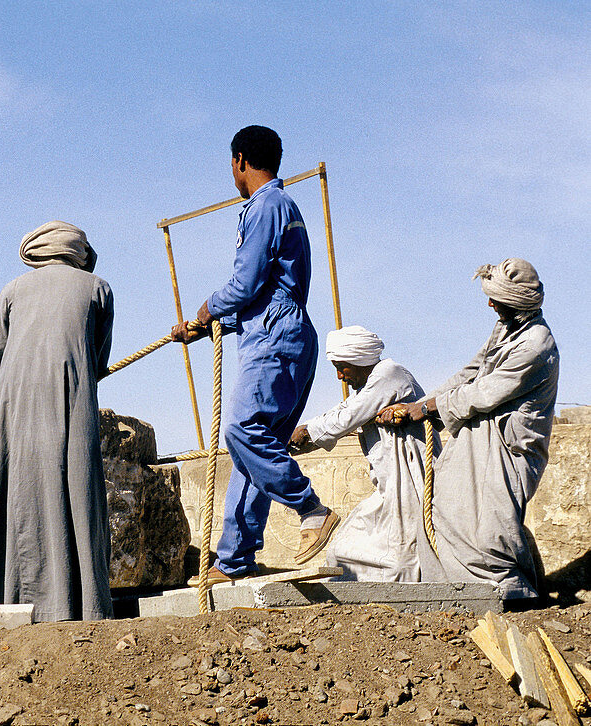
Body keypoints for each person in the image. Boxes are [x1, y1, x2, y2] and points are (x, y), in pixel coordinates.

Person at [172, 125, 337, 585]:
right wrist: (213, 325)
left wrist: (205, 310)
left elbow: (245, 283)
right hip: (281, 332)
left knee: (242, 429)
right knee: (252, 450)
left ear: (239, 160)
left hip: (275, 336)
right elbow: (261, 291)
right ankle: (234, 561)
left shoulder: (266, 206)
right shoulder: (283, 207)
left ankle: (311, 508)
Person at [377, 259, 558, 599]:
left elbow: (485, 392)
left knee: (491, 527)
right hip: (477, 438)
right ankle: (459, 592)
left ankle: (513, 594)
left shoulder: (536, 345)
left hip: (509, 447)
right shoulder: (506, 329)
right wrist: (424, 403)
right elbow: (471, 372)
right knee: (448, 510)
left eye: (496, 299)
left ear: (517, 302)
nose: (490, 305)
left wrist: (427, 408)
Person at [0, 221, 114, 623]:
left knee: (18, 496)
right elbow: (98, 359)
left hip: (14, 407)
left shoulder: (12, 291)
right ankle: (82, 605)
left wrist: (0, 408)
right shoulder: (98, 288)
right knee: (77, 491)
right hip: (71, 399)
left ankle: (8, 601)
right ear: (79, 254)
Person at [289, 326, 437, 581]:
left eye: (341, 366)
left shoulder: (390, 374)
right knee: (342, 551)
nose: (339, 376)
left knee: (403, 556)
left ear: (358, 360)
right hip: (387, 488)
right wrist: (294, 441)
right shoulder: (369, 390)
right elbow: (342, 412)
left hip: (410, 484)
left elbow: (348, 416)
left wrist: (307, 431)